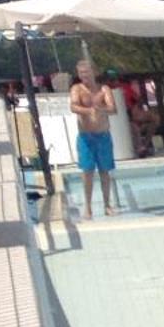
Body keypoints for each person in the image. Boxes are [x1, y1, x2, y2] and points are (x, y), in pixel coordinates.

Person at [68, 59, 117, 218]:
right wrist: (88, 111)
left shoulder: (104, 89)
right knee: (87, 171)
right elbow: (73, 106)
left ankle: (107, 205)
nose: (84, 76)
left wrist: (100, 109)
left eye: (87, 73)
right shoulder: (77, 89)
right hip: (86, 137)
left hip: (102, 136)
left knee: (104, 171)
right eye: (81, 73)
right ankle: (88, 206)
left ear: (94, 72)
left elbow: (113, 109)